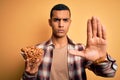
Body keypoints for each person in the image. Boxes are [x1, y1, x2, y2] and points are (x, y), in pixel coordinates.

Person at [21, 4, 117, 80]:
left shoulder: (81, 50)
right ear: (50, 22)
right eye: (56, 20)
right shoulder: (37, 51)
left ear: (70, 22)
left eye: (65, 20)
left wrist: (101, 58)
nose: (61, 24)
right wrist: (30, 74)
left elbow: (110, 74)